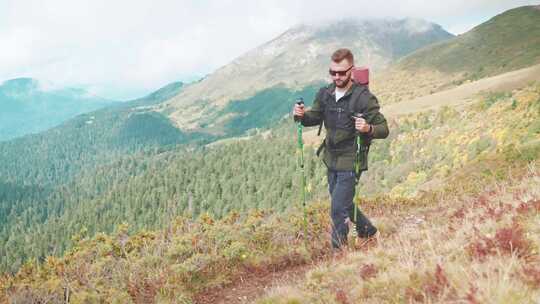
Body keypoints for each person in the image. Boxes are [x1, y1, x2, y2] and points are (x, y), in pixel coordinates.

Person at [293, 48, 389, 249]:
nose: (337, 77)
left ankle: (339, 252)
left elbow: (384, 129)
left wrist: (368, 128)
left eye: (341, 73)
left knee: (337, 208)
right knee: (344, 203)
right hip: (331, 157)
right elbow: (315, 117)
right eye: (333, 72)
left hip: (352, 159)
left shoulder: (363, 98)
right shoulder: (326, 93)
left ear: (351, 70)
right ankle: (368, 232)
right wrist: (301, 115)